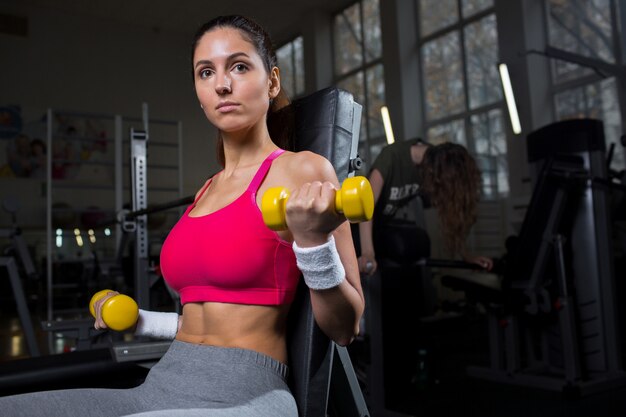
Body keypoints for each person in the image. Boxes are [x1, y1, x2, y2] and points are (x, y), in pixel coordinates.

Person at [0, 15, 364, 417]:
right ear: (198, 89)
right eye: (206, 72)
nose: (221, 84)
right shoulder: (206, 189)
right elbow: (201, 319)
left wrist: (313, 243)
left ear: (272, 81)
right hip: (163, 383)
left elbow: (346, 329)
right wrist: (141, 321)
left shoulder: (303, 171)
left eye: (239, 66)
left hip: (246, 395)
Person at [355, 137, 492, 409]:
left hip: (383, 230)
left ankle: (399, 377)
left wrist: (465, 255)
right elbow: (365, 203)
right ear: (437, 169)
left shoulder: (429, 164)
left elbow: (445, 211)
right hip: (357, 226)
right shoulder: (393, 157)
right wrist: (367, 253)